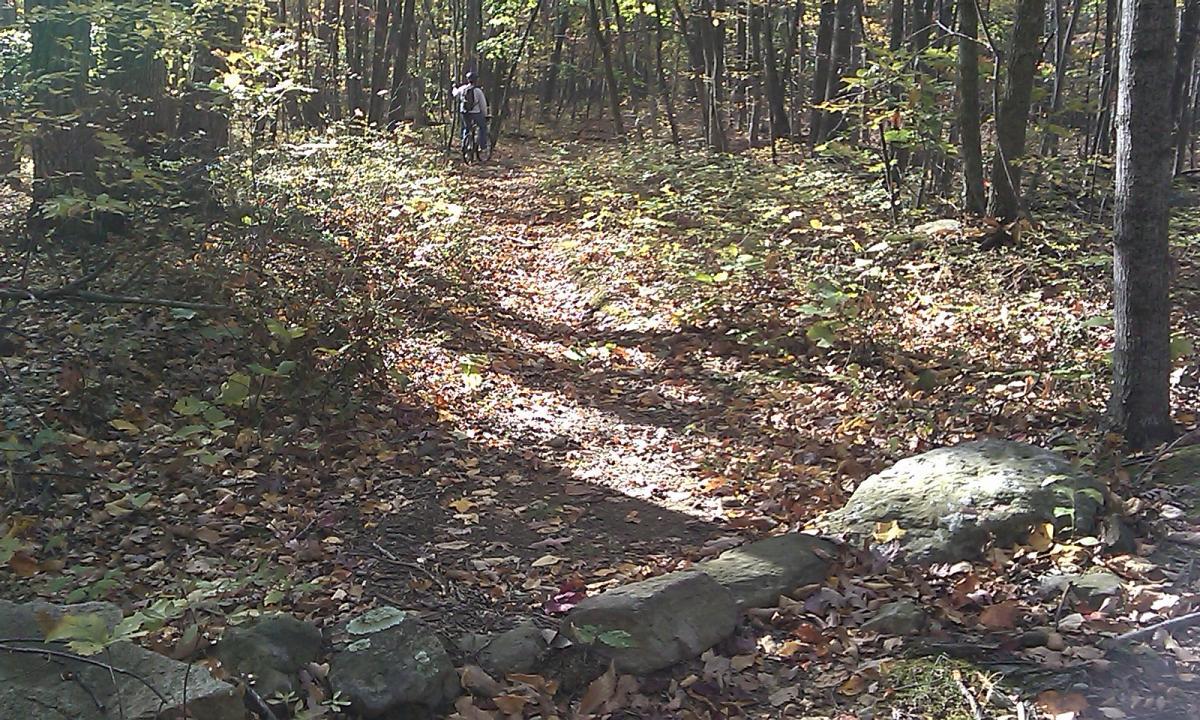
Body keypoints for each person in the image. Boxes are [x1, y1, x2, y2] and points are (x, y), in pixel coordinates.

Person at [452, 72, 489, 154]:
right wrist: (485, 115)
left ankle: (464, 144)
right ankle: (483, 146)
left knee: (466, 128)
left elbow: (455, 94)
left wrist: (454, 87)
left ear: (468, 79)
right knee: (482, 127)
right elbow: (483, 104)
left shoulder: (463, 89)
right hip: (475, 113)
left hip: (464, 112)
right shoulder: (478, 91)